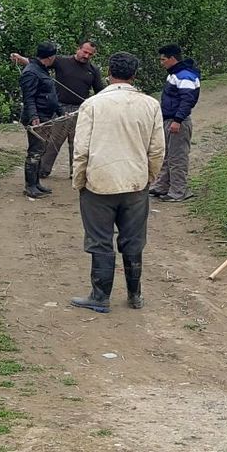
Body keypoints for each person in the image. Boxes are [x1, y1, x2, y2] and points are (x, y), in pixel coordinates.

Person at [70, 52, 165, 313]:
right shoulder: (150, 105)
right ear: (134, 75)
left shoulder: (92, 104)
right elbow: (157, 149)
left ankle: (100, 297)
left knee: (100, 240)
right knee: (134, 240)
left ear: (109, 73)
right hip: (135, 182)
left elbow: (81, 150)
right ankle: (135, 295)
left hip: (99, 182)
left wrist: (79, 180)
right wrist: (148, 177)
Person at [8, 41, 104, 178]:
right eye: (85, 52)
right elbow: (38, 64)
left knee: (78, 143)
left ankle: (75, 172)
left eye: (90, 54)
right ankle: (42, 170)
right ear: (78, 49)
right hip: (61, 108)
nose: (86, 55)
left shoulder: (93, 70)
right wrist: (20, 58)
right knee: (53, 141)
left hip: (81, 110)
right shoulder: (61, 61)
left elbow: (99, 91)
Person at [148, 44, 200, 202]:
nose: (161, 62)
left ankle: (179, 191)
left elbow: (188, 100)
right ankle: (163, 185)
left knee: (177, 157)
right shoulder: (174, 74)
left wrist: (178, 120)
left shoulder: (185, 75)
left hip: (178, 122)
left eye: (163, 59)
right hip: (169, 120)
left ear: (172, 58)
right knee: (167, 155)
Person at [19, 42, 64, 198]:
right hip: (37, 117)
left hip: (46, 115)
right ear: (51, 57)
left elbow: (51, 95)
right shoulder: (31, 72)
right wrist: (33, 117)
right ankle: (30, 186)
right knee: (35, 151)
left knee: (41, 149)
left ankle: (36, 183)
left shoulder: (41, 70)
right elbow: (28, 97)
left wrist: (60, 111)